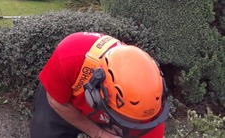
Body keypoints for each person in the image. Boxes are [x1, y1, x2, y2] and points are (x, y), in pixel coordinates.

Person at [30, 32, 170, 138]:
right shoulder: (70, 55)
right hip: (67, 100)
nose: (137, 126)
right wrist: (98, 133)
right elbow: (56, 102)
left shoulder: (151, 108)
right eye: (122, 121)